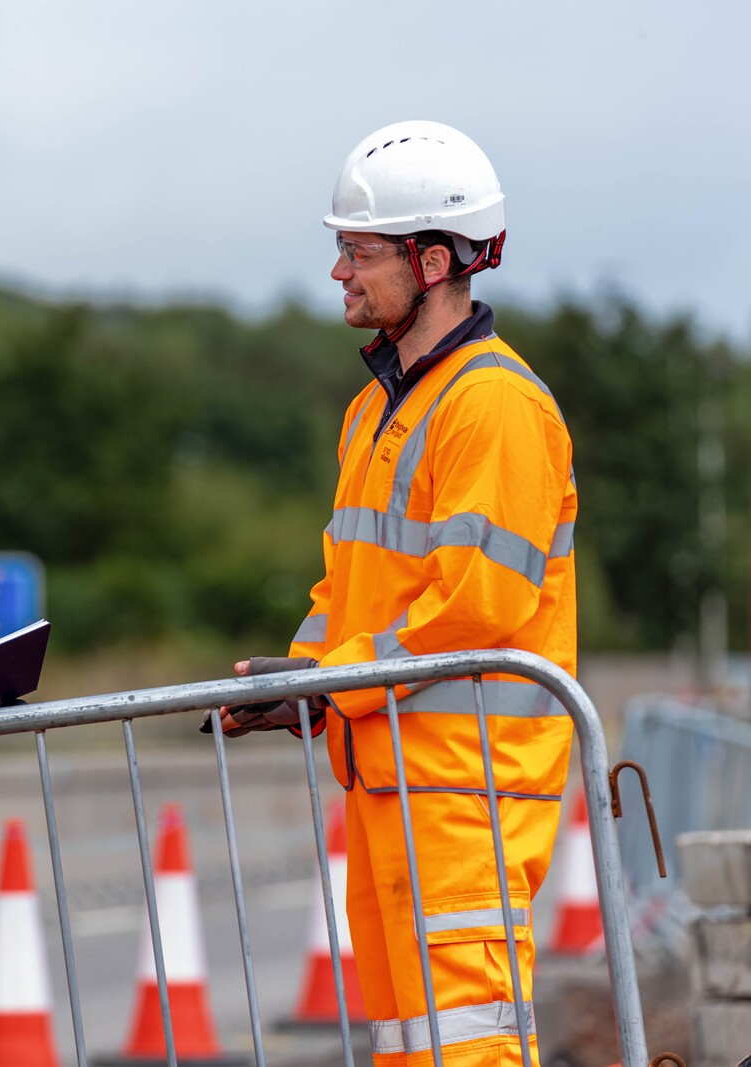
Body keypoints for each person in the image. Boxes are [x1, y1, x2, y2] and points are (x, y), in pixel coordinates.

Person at [216, 122, 577, 1066]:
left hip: (468, 790)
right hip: (390, 782)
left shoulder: (493, 405)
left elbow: (474, 613)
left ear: (431, 259)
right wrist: (295, 680)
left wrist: (324, 685)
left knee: (468, 1042)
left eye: (358, 251)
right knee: (411, 1045)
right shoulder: (373, 408)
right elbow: (349, 593)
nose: (339, 272)